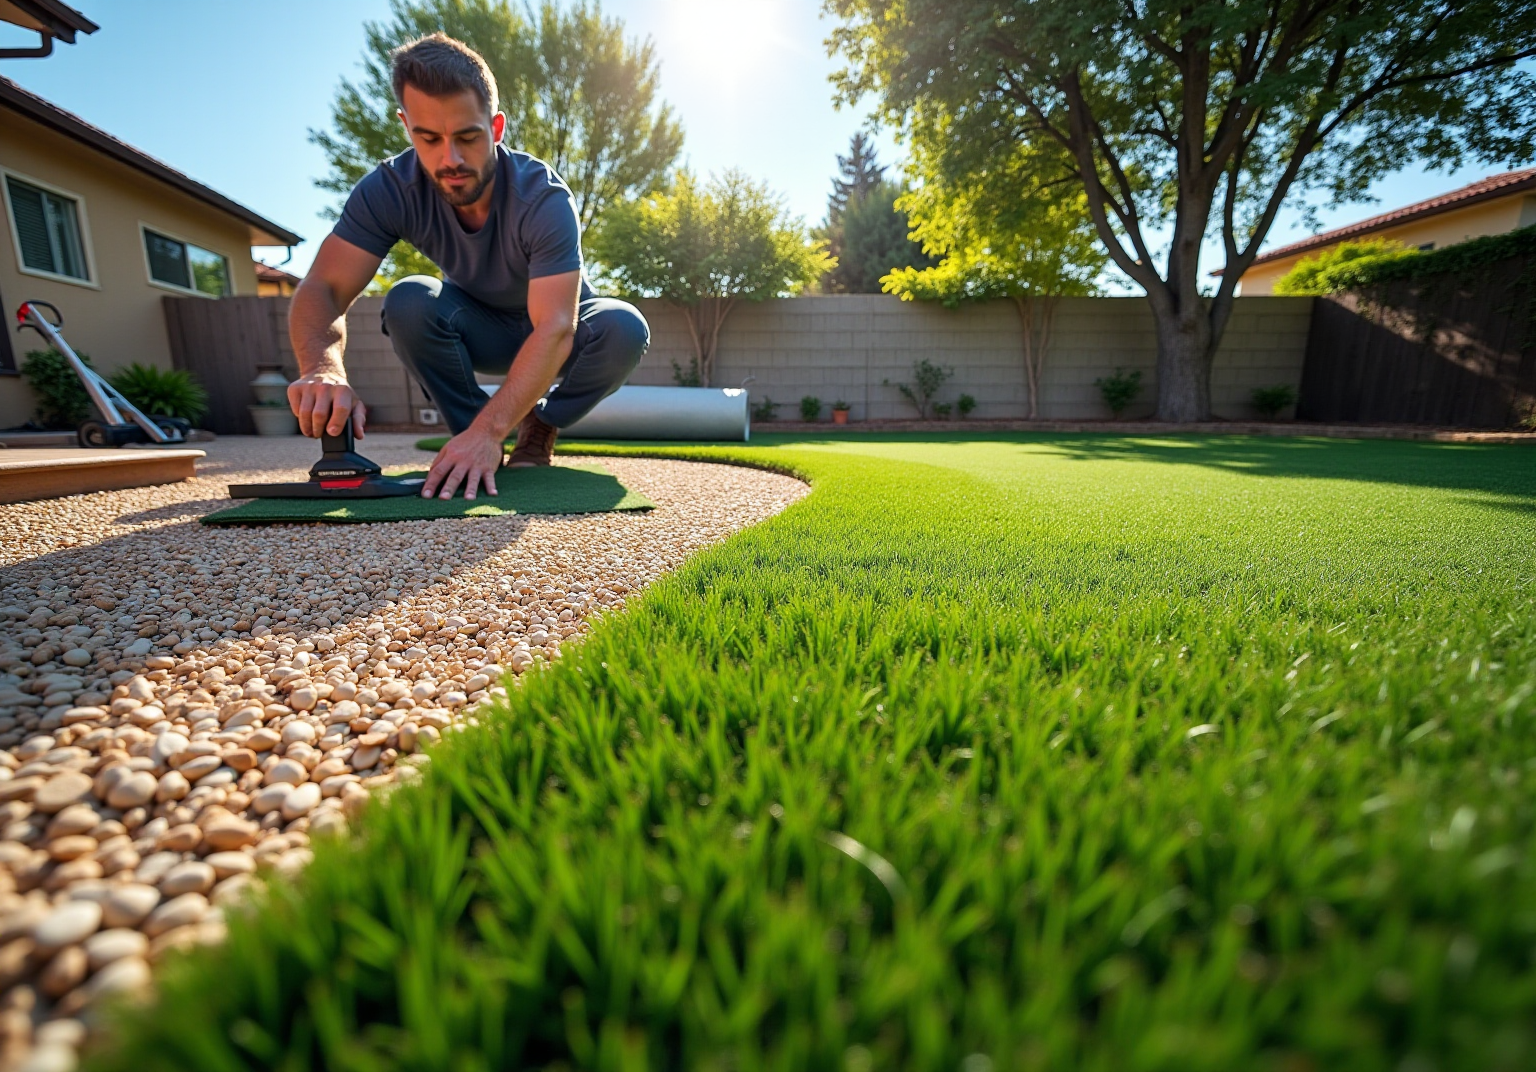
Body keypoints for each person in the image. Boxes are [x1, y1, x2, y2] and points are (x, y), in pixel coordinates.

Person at [286, 32, 650, 500]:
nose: (450, 159)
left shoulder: (542, 198)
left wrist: (496, 428)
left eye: (468, 137)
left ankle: (537, 425)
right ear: (406, 127)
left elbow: (556, 327)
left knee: (625, 327)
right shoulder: (389, 190)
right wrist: (323, 367)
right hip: (478, 327)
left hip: (561, 328)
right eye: (429, 138)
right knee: (409, 299)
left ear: (496, 128)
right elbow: (324, 288)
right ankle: (473, 431)